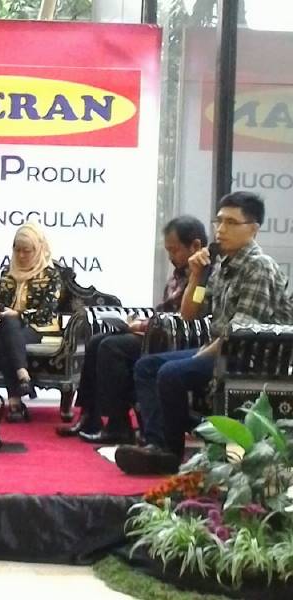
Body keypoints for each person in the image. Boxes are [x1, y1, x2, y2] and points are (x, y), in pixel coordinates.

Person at [116, 192, 293, 475]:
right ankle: (157, 443)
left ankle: (170, 451)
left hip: (251, 358)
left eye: (231, 222)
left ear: (253, 229)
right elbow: (190, 313)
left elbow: (240, 333)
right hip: (221, 349)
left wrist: (200, 355)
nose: (221, 229)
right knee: (147, 366)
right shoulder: (223, 265)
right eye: (219, 221)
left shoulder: (259, 267)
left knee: (171, 373)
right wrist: (197, 275)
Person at [57, 216, 208, 443]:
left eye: (174, 250)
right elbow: (165, 310)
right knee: (97, 341)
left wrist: (146, 326)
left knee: (113, 347)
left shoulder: (204, 274)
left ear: (195, 246)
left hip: (177, 340)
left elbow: (191, 315)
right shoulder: (178, 274)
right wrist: (140, 322)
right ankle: (90, 417)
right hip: (158, 332)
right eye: (167, 250)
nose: (170, 256)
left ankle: (118, 424)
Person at [0, 223, 62, 423]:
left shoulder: (51, 275)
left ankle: (14, 400)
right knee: (8, 326)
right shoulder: (8, 273)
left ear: (38, 249)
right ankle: (22, 374)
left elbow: (46, 312)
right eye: (17, 250)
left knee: (6, 332)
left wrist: (17, 314)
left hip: (39, 328)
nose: (21, 255)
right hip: (10, 327)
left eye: (26, 251)